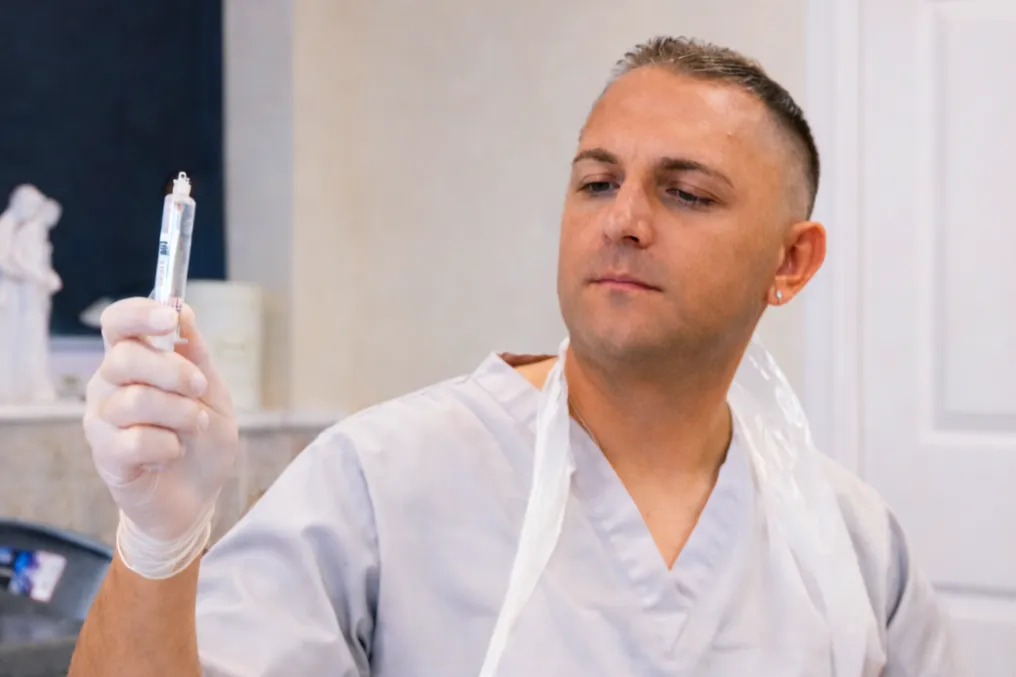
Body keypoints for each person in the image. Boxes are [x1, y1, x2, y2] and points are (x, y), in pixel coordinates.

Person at [68, 37, 968, 676]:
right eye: (597, 181)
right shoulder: (382, 482)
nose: (624, 220)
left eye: (686, 192)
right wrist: (157, 539)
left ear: (789, 261)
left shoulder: (852, 542)